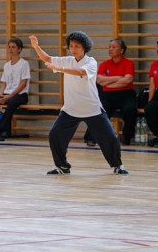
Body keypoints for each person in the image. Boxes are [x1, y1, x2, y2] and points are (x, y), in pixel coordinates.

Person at [29, 33, 127, 175]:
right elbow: (47, 58)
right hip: (70, 109)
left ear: (84, 48)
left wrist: (60, 69)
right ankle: (62, 166)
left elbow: (80, 72)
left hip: (92, 109)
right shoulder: (67, 60)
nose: (73, 49)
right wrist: (36, 47)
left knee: (110, 138)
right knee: (55, 135)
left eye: (77, 46)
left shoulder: (91, 62)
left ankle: (118, 165)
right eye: (71, 46)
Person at [84, 38, 137, 147]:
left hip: (125, 94)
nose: (110, 49)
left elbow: (127, 80)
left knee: (130, 110)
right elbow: (99, 80)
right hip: (107, 95)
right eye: (109, 47)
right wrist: (118, 78)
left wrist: (108, 83)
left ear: (121, 50)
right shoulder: (105, 64)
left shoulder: (128, 63)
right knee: (98, 111)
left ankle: (126, 138)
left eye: (114, 47)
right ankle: (91, 138)